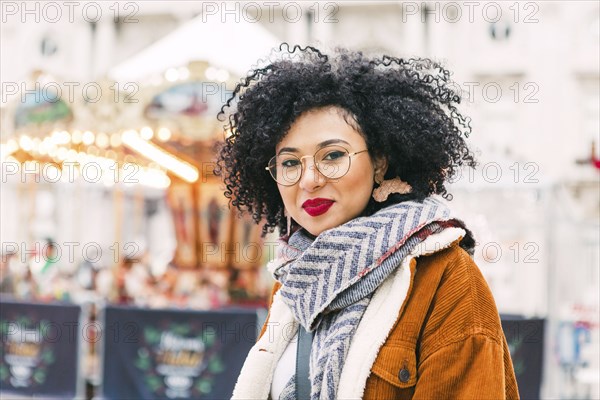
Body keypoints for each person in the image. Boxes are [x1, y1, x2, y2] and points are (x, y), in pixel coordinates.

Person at [216, 44, 519, 400]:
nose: (309, 179)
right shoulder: (294, 283)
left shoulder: (446, 278)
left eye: (332, 156)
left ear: (379, 163)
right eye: (290, 163)